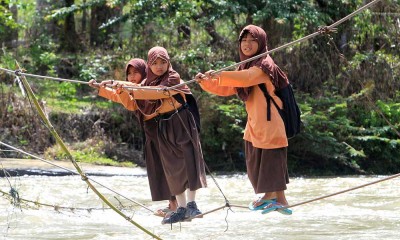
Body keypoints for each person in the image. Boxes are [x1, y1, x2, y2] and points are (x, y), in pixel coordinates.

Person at [195, 25, 292, 215]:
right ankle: (279, 200)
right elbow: (229, 87)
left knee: (271, 160)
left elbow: (246, 79)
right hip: (255, 121)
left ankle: (272, 197)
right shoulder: (245, 64)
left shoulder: (265, 64)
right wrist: (206, 82)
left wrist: (220, 74)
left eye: (252, 40)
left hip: (270, 120)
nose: (247, 44)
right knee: (254, 158)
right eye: (244, 41)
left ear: (261, 42)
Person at [117, 47, 207, 224]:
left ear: (168, 63)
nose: (159, 67)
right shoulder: (146, 84)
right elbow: (134, 97)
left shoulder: (173, 77)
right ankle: (180, 208)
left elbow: (158, 92)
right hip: (164, 125)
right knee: (172, 167)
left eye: (163, 62)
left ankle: (192, 204)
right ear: (149, 65)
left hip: (182, 121)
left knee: (189, 161)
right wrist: (114, 87)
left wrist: (127, 87)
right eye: (155, 63)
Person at [88, 58, 178, 217]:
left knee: (168, 167)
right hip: (150, 132)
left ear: (144, 71)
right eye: (129, 74)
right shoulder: (132, 89)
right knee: (159, 168)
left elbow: (135, 94)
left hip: (162, 130)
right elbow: (125, 100)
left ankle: (177, 205)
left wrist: (119, 85)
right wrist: (100, 89)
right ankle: (172, 205)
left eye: (136, 72)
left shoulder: (148, 86)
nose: (132, 76)